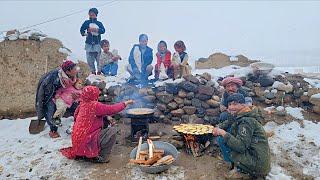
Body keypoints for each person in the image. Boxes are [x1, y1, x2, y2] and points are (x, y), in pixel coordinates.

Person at [60, 86, 134, 163]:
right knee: (112, 131)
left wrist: (106, 117)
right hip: (87, 140)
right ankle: (101, 157)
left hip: (78, 142)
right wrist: (125, 103)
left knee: (104, 123)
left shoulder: (82, 104)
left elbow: (91, 115)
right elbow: (112, 109)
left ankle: (82, 154)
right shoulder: (94, 105)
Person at [212, 93, 271, 179]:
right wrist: (218, 127)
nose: (232, 107)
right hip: (256, 156)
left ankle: (242, 170)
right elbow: (230, 121)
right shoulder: (243, 114)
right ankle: (235, 164)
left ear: (243, 105)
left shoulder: (246, 121)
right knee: (225, 138)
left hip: (257, 164)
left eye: (235, 104)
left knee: (223, 139)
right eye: (229, 104)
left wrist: (223, 133)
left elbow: (241, 146)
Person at [35, 60, 78, 138]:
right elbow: (42, 96)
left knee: (76, 104)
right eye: (74, 69)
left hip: (64, 93)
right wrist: (40, 111)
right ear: (68, 71)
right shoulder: (52, 79)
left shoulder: (73, 75)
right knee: (51, 109)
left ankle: (77, 120)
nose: (76, 70)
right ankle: (53, 129)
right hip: (50, 94)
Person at [80, 8, 105, 75]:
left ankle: (99, 72)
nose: (91, 15)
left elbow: (103, 31)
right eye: (90, 14)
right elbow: (82, 30)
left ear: (96, 15)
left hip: (97, 44)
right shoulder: (86, 22)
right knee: (89, 59)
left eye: (93, 14)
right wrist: (86, 33)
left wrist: (96, 30)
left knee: (99, 59)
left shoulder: (99, 23)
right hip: (88, 43)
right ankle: (92, 72)